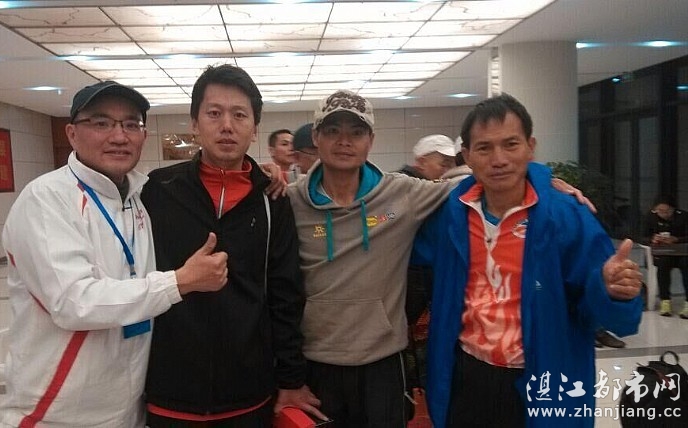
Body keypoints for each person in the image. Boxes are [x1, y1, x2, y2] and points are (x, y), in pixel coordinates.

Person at [285, 90, 591, 427]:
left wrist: (542, 182)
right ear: (316, 138)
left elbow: (485, 178)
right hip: (316, 363)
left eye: (356, 132)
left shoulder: (401, 193)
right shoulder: (289, 201)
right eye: (332, 131)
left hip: (383, 362)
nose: (344, 141)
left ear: (370, 140)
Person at [0, 81, 228, 427]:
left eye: (131, 124)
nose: (119, 136)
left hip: (127, 408)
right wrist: (178, 283)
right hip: (56, 413)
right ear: (72, 133)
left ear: (143, 135)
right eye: (101, 123)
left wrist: (268, 175)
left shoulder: (139, 197)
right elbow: (73, 301)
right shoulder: (46, 199)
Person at [412, 93, 643, 428]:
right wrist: (371, 221)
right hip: (467, 376)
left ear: (530, 147)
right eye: (484, 148)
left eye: (511, 144)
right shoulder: (452, 213)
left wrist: (611, 290)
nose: (499, 159)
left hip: (545, 375)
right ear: (468, 156)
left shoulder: (566, 216)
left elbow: (605, 315)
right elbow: (398, 237)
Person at [141, 64, 324, 427]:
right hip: (169, 390)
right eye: (214, 113)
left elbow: (286, 294)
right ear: (195, 123)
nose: (227, 125)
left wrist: (290, 378)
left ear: (255, 128)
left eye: (240, 115)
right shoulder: (157, 191)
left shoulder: (272, 200)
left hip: (249, 392)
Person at [642, 195, 688, 318]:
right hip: (663, 252)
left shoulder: (683, 217)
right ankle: (665, 300)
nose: (664, 214)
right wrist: (653, 239)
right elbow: (642, 237)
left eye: (667, 211)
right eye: (660, 211)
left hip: (682, 253)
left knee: (686, 265)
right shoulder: (651, 217)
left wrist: (676, 239)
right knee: (663, 265)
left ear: (673, 209)